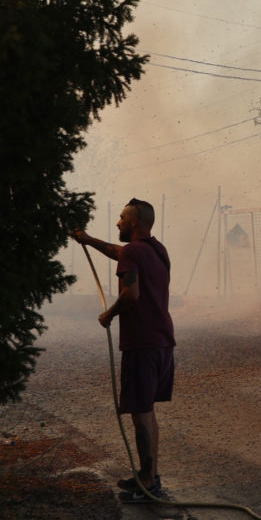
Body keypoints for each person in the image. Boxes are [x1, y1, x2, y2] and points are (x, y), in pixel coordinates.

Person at [73, 198, 176, 502]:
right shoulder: (157, 250)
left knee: (141, 416)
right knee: (148, 413)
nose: (117, 222)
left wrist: (109, 314)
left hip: (141, 344)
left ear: (133, 222)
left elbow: (130, 293)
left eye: (121, 218)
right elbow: (119, 252)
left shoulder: (134, 252)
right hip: (162, 342)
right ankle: (150, 477)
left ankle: (148, 485)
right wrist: (88, 240)